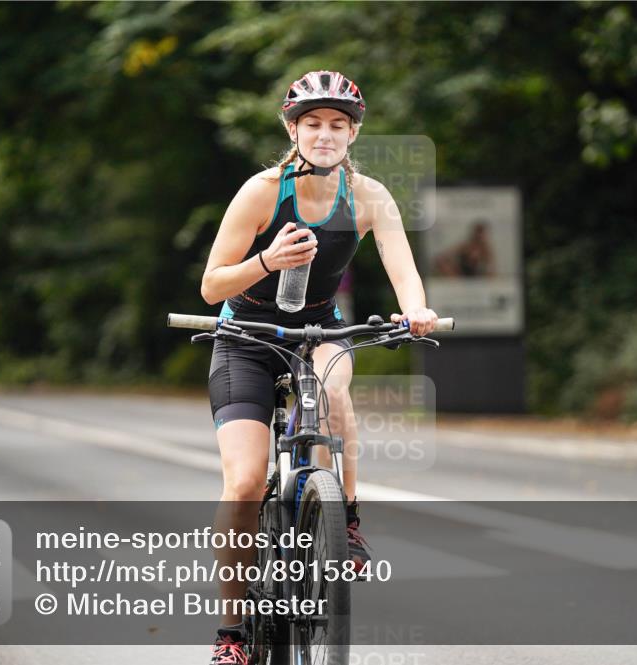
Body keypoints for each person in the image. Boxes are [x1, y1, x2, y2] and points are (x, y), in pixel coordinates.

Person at [200, 70, 438, 663]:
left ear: (353, 134)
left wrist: (417, 311)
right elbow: (211, 287)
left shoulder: (371, 197)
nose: (325, 134)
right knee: (246, 481)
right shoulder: (261, 191)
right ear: (293, 129)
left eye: (338, 125)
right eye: (313, 124)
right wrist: (267, 259)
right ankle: (232, 634)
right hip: (247, 336)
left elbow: (401, 267)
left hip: (318, 330)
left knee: (333, 393)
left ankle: (344, 520)